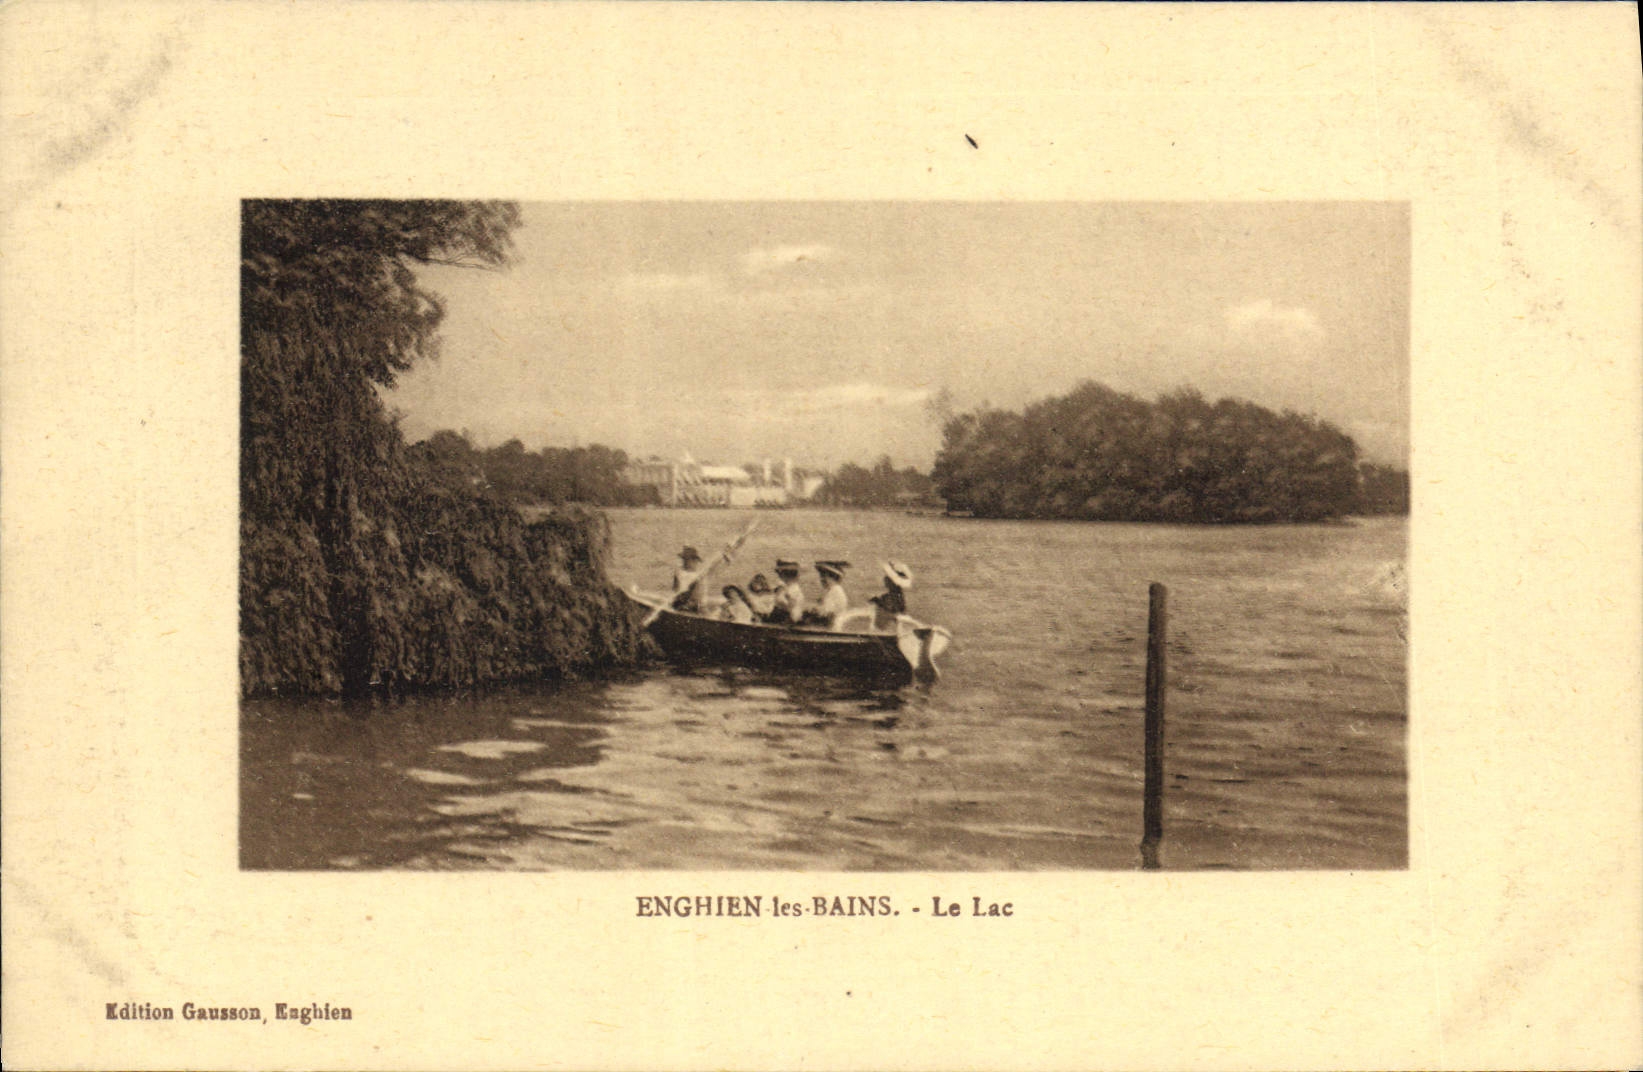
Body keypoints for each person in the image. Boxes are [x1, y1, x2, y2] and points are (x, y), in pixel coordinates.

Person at [803, 560, 851, 628]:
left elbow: (825, 612)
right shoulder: (832, 590)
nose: (821, 579)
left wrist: (812, 609)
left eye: (824, 576)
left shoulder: (835, 591)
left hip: (830, 628)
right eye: (821, 576)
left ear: (832, 577)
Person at [869, 560, 913, 631]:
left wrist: (877, 601)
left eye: (887, 580)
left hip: (890, 619)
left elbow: (889, 608)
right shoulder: (898, 595)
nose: (885, 582)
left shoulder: (891, 596)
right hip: (895, 616)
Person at [767, 559, 806, 625]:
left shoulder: (793, 590)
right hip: (778, 617)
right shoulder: (784, 587)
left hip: (786, 619)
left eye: (780, 573)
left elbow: (793, 609)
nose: (779, 575)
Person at [670, 545, 704, 613]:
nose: (686, 562)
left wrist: (694, 602)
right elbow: (675, 588)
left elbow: (698, 594)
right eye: (685, 560)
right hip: (680, 601)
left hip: (692, 603)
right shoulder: (679, 572)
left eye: (690, 560)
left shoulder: (697, 575)